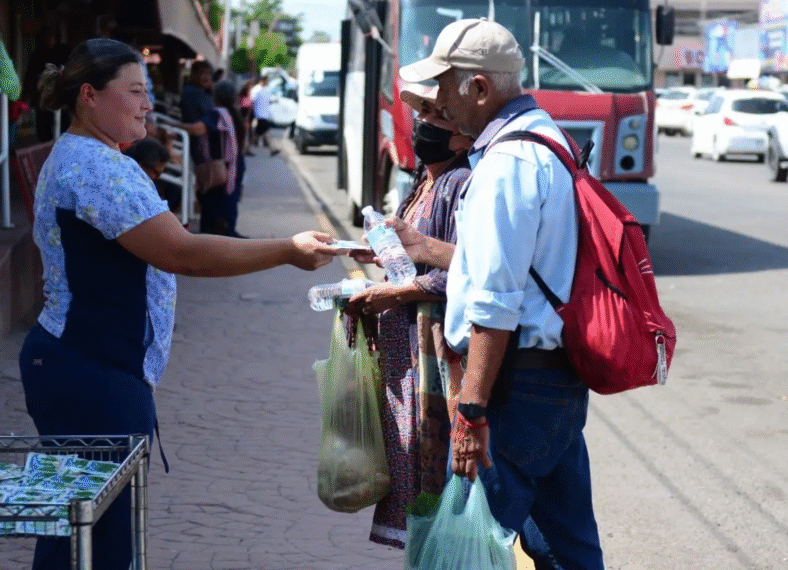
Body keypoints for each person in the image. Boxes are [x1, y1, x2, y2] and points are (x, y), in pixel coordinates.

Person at [19, 38, 340, 570]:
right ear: (89, 96)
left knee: (69, 532)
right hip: (95, 373)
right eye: (136, 92)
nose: (147, 104)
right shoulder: (101, 167)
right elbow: (182, 253)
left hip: (70, 362)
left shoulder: (78, 155)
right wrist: (286, 249)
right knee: (100, 541)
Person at [396, 18, 606, 570]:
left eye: (443, 89)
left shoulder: (506, 163)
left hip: (512, 388)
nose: (438, 107)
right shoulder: (546, 137)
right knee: (568, 549)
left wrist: (470, 413)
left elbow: (494, 303)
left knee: (469, 551)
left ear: (480, 89)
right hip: (553, 382)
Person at [344, 83, 472, 548]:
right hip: (406, 350)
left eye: (440, 118)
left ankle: (436, 549)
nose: (424, 125)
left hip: (432, 357)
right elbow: (410, 255)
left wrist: (397, 293)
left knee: (429, 468)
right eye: (424, 115)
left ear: (464, 135)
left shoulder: (460, 182)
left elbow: (465, 271)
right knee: (409, 463)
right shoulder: (425, 178)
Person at [174, 80, 248, 237]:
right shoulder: (235, 115)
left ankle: (216, 239)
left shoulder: (217, 114)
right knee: (229, 203)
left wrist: (176, 126)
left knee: (213, 205)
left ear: (216, 97)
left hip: (219, 168)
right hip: (235, 164)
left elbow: (197, 129)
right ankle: (229, 234)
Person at [251, 75, 281, 156]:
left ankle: (245, 149)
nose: (267, 82)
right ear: (262, 81)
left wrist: (274, 101)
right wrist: (253, 114)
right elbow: (253, 101)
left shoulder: (265, 90)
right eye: (266, 81)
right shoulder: (256, 89)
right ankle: (273, 148)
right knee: (266, 132)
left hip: (264, 114)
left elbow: (267, 101)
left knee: (257, 134)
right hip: (260, 114)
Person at [180, 60, 214, 124]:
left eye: (208, 73)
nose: (207, 77)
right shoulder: (192, 93)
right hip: (198, 131)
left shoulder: (203, 92)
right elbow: (212, 115)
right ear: (194, 75)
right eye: (202, 73)